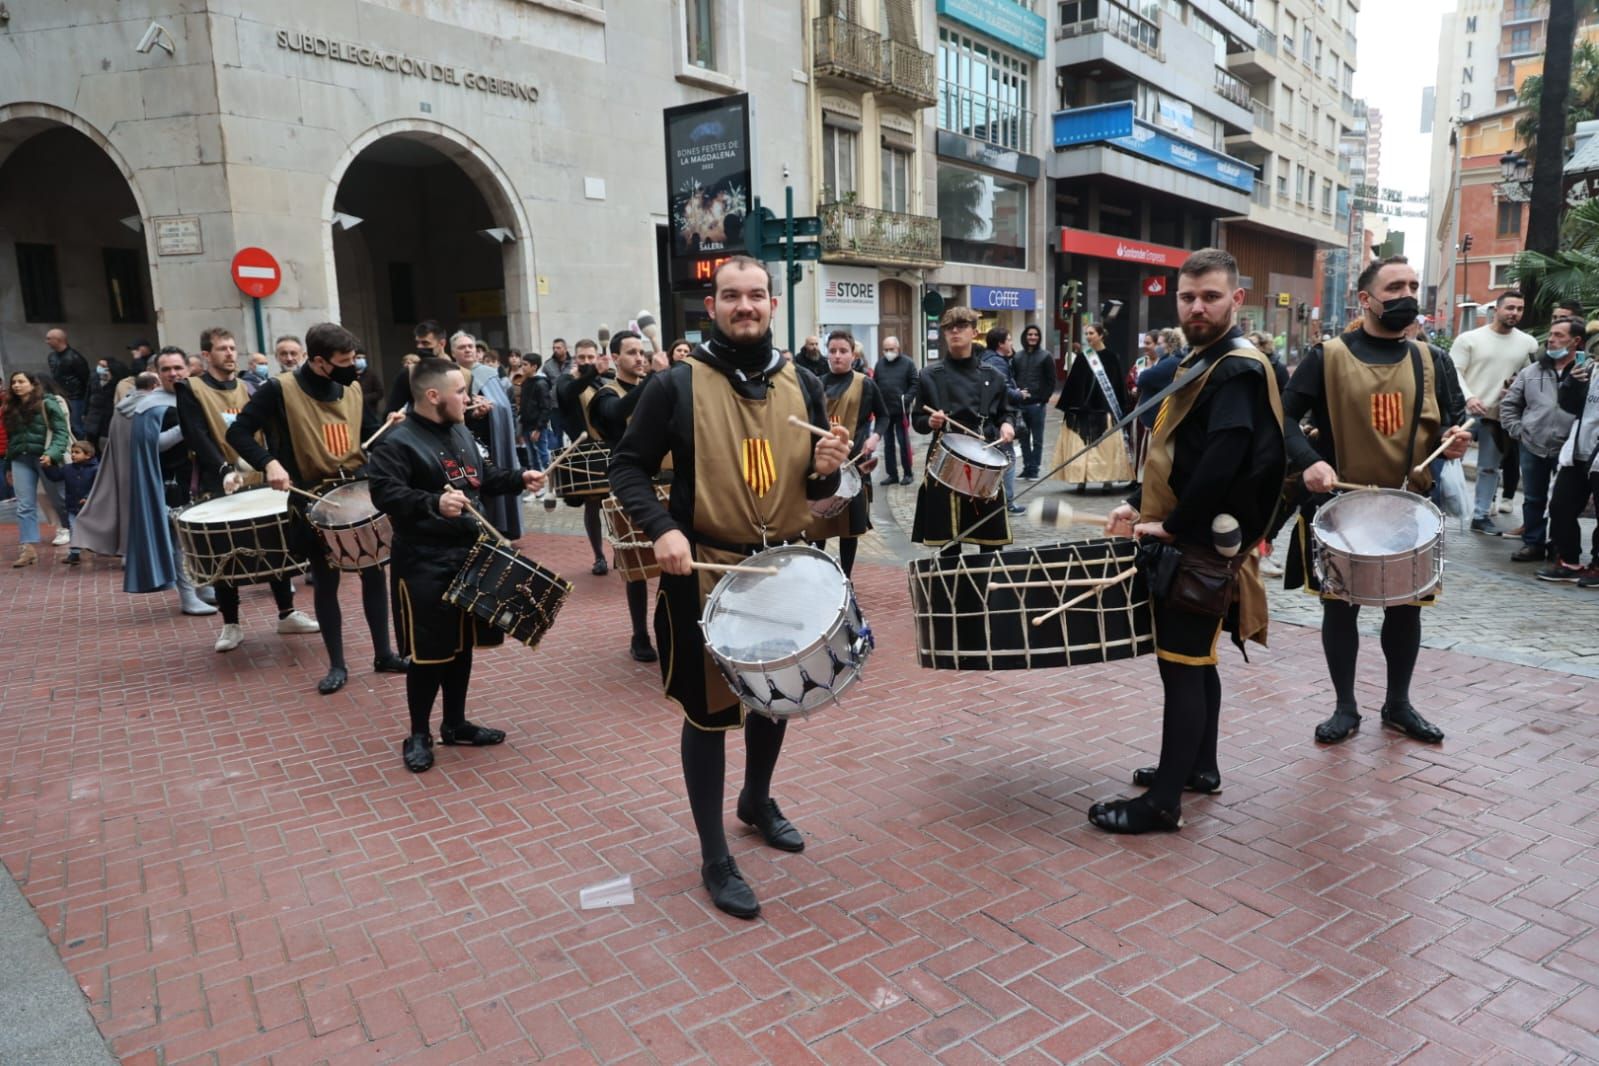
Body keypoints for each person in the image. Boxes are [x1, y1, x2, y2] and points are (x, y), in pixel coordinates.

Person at [609, 255, 849, 920]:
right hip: (704, 574)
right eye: (731, 296)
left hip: (782, 572)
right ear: (710, 306)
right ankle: (714, 853)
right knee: (710, 715)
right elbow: (625, 467)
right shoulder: (675, 385)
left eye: (756, 295)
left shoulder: (803, 382)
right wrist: (660, 527)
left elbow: (817, 492)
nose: (745, 306)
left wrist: (828, 474)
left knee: (772, 696)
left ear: (774, 304)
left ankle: (756, 800)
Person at [1096, 248, 1287, 834]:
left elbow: (1226, 458)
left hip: (1200, 544)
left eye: (1209, 296)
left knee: (1180, 664)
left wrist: (1173, 526)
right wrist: (1136, 499)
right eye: (1187, 297)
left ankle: (1163, 803)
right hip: (1199, 535)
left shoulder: (1233, 367)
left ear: (1237, 299)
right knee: (1197, 662)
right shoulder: (1203, 360)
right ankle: (1197, 767)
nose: (1197, 306)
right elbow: (1176, 450)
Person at [1280, 256, 1472, 746]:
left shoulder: (1434, 360)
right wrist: (1308, 461)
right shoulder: (1327, 356)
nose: (1407, 294)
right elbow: (1278, 419)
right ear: (1366, 299)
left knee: (1406, 610)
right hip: (1338, 506)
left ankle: (1398, 704)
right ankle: (1345, 707)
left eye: (1412, 284)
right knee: (1339, 608)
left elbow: (1455, 421)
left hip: (1410, 509)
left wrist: (1456, 440)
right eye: (1394, 287)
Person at [367, 358, 547, 773]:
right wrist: (432, 502)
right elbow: (384, 493)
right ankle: (417, 733)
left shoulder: (460, 429)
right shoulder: (397, 442)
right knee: (430, 655)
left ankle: (455, 723)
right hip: (424, 562)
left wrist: (520, 478)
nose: (469, 399)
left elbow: (481, 477)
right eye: (461, 392)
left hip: (469, 555)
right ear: (433, 396)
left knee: (462, 644)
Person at [228, 322, 407, 694]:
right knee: (326, 581)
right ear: (321, 361)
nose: (354, 367)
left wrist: (392, 429)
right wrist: (269, 462)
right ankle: (337, 665)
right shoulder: (279, 388)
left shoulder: (353, 388)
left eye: (355, 359)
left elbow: (367, 434)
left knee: (374, 572)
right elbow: (238, 432)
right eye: (345, 361)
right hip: (312, 497)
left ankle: (384, 653)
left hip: (358, 493)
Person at [175, 326, 319, 651]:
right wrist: (224, 469)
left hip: (257, 479)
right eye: (222, 348)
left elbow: (269, 433)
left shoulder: (252, 387)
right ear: (206, 355)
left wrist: (275, 465)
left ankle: (287, 614)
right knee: (225, 554)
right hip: (218, 481)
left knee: (273, 543)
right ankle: (231, 624)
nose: (229, 353)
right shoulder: (191, 389)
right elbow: (197, 435)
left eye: (232, 347)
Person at [910, 306, 1016, 555]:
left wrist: (1007, 424)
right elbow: (917, 420)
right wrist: (930, 423)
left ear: (974, 332)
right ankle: (951, 592)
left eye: (961, 326)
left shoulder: (994, 376)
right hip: (943, 462)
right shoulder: (928, 375)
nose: (955, 331)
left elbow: (1007, 412)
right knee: (948, 543)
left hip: (985, 459)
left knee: (990, 543)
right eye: (949, 327)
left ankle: (990, 590)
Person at [589, 330, 665, 661]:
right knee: (636, 566)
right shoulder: (605, 394)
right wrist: (655, 379)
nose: (639, 357)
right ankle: (639, 635)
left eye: (642, 352)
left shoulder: (659, 387)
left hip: (666, 483)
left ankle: (670, 628)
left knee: (675, 564)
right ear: (615, 358)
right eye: (631, 352)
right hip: (632, 487)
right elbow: (617, 414)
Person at [1450, 292, 1538, 535]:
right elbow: (1454, 372)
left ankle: (1480, 516)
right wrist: (1469, 396)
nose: (1515, 313)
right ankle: (1439, 508)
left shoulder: (1527, 343)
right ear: (1496, 309)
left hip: (1496, 414)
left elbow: (1527, 376)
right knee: (1449, 461)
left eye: (1519, 309)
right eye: (1510, 307)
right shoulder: (1470, 339)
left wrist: (1513, 391)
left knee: (1489, 467)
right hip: (1464, 412)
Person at [1500, 318, 1579, 564]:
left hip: (1570, 448)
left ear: (1576, 341)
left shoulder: (1585, 372)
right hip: (1532, 444)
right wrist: (1518, 430)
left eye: (1559, 335)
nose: (1551, 339)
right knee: (1534, 498)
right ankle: (1533, 543)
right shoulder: (1532, 371)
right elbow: (1510, 404)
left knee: (1562, 502)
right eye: (1551, 334)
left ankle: (1558, 545)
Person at [809, 330, 885, 576]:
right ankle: (818, 575)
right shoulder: (815, 383)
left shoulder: (866, 383)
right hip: (822, 465)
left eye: (843, 351)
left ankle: (847, 577)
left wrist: (874, 437)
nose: (837, 356)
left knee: (849, 529)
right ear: (826, 353)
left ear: (853, 354)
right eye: (832, 351)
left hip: (854, 465)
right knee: (817, 528)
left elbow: (884, 416)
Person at [1540, 319, 1599, 584]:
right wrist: (1572, 383)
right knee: (1561, 506)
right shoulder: (1588, 369)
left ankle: (1597, 565)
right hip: (1578, 451)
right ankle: (1569, 560)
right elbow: (1568, 405)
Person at [453, 332, 523, 539]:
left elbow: (505, 406)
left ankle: (501, 527)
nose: (468, 350)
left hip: (492, 440)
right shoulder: (451, 375)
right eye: (462, 347)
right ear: (452, 352)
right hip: (464, 440)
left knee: (496, 478)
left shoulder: (489, 374)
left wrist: (488, 414)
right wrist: (473, 413)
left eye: (471, 346)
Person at [1053, 322, 1135, 490]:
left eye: (1091, 333)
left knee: (1106, 445)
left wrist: (1122, 405)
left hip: (1104, 407)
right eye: (1087, 334)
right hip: (1083, 409)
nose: (1088, 337)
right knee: (1081, 444)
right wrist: (1071, 405)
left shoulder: (1112, 358)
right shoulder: (1083, 357)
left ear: (1101, 335)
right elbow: (1073, 384)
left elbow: (1118, 383)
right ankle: (1080, 479)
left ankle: (1108, 479)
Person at [555, 339, 613, 574]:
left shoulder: (602, 379)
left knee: (617, 503)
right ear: (575, 358)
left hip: (609, 446)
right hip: (586, 450)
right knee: (592, 504)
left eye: (591, 357)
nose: (587, 362)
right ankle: (599, 556)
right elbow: (569, 394)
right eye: (582, 358)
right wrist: (590, 374)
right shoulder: (566, 380)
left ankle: (622, 550)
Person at [3, 371, 70, 567]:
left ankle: (80, 539)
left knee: (60, 500)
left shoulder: (48, 403)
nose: (16, 385)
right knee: (24, 505)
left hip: (45, 458)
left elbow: (61, 431)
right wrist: (8, 464)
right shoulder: (10, 408)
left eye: (21, 382)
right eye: (14, 382)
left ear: (32, 384)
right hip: (20, 458)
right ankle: (28, 548)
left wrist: (53, 453)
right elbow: (10, 439)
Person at [981, 327, 1028, 514]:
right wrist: (1018, 394)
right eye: (1009, 340)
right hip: (997, 421)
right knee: (1007, 460)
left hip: (991, 421)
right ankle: (1008, 502)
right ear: (1000, 343)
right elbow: (1002, 390)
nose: (1011, 343)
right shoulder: (997, 363)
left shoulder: (988, 358)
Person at [871, 335, 918, 487]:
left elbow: (915, 383)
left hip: (901, 410)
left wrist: (907, 398)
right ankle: (892, 474)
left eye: (891, 349)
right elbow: (875, 384)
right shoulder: (880, 364)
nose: (888, 352)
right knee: (888, 444)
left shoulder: (908, 363)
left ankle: (908, 473)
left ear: (898, 348)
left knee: (903, 442)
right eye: (886, 349)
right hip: (885, 412)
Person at [1013, 324, 1057, 481]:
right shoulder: (1017, 356)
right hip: (1021, 404)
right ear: (1025, 336)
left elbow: (1052, 381)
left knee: (1037, 439)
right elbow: (1013, 378)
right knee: (1023, 438)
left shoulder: (1045, 356)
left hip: (1036, 405)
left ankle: (1034, 469)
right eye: (1030, 334)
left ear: (1039, 338)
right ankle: (1026, 468)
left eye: (1036, 335)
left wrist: (1043, 400)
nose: (1032, 337)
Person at [46, 440, 99, 565]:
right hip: (73, 505)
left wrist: (88, 497)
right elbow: (55, 476)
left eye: (77, 452)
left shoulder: (96, 469)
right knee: (73, 528)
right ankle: (74, 553)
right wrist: (48, 466)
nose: (73, 455)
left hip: (90, 507)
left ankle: (93, 545)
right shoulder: (68, 468)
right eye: (72, 452)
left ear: (88, 455)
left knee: (91, 528)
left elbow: (97, 486)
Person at [44, 328, 91, 437]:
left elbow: (85, 379)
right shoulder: (52, 357)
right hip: (60, 395)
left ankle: (82, 450)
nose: (47, 342)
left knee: (76, 426)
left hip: (75, 397)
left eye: (49, 339)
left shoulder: (75, 357)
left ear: (58, 340)